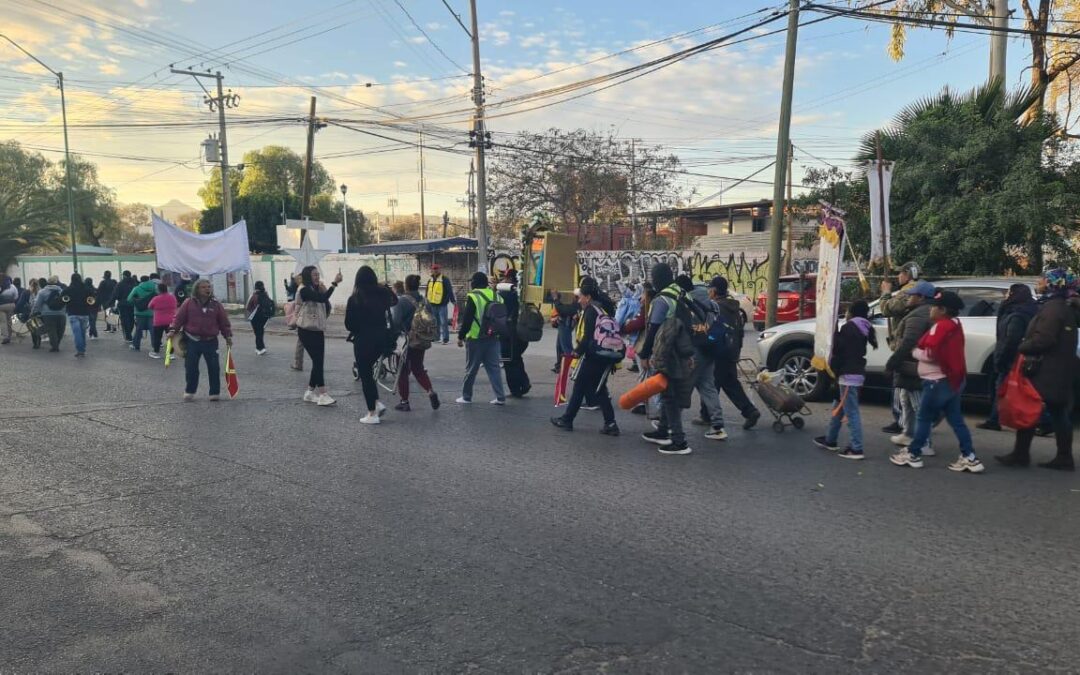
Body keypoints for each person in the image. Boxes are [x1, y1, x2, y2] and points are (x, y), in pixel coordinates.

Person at [890, 290, 984, 473]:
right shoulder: (955, 324)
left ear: (942, 310)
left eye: (934, 306)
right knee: (956, 420)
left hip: (936, 381)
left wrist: (915, 352)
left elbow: (931, 353)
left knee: (924, 417)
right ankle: (969, 456)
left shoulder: (941, 327)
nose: (930, 309)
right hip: (952, 379)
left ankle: (914, 453)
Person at [996, 269, 1078, 471]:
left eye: (1043, 279)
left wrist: (1024, 345)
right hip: (1057, 370)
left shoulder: (1053, 309)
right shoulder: (1059, 307)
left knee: (1030, 408)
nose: (1039, 282)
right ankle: (1059, 456)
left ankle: (1022, 454)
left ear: (1053, 284)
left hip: (1047, 370)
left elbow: (1045, 339)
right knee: (1057, 412)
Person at [550, 276, 620, 435]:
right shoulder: (602, 307)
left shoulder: (590, 311)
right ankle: (610, 423)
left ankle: (567, 420)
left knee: (580, 386)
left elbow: (588, 337)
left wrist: (577, 352)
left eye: (580, 296)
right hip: (604, 355)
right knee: (599, 389)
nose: (579, 300)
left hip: (593, 356)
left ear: (587, 297)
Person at [639, 263, 695, 455]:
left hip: (667, 353)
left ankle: (679, 441)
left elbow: (653, 329)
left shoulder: (662, 299)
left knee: (669, 397)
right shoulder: (680, 291)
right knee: (668, 392)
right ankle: (663, 431)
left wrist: (645, 354)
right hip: (684, 350)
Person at [815, 300, 878, 459]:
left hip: (848, 376)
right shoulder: (864, 327)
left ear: (853, 312)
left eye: (848, 310)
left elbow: (838, 348)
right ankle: (830, 439)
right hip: (854, 373)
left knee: (851, 412)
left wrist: (833, 330)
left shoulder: (850, 328)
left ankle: (856, 448)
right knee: (839, 407)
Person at [884, 281, 937, 455]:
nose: (909, 297)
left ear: (921, 298)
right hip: (914, 364)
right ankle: (908, 433)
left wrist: (893, 361)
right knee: (906, 400)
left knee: (918, 405)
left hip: (913, 366)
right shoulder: (923, 312)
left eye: (912, 295)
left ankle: (924, 442)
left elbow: (908, 342)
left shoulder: (918, 316)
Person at [978, 284, 1038, 431]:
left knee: (1003, 388)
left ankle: (995, 419)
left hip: (1010, 359)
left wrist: (1002, 359)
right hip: (1014, 357)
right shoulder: (1025, 309)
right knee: (1008, 389)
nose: (1005, 296)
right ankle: (995, 418)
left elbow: (1011, 340)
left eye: (1008, 293)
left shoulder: (1017, 314)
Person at [676, 274, 728, 441]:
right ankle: (718, 426)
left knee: (684, 386)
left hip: (695, 350)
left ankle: (669, 424)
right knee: (707, 386)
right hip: (710, 348)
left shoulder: (687, 302)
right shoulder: (711, 302)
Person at [705, 276, 761, 429]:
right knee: (728, 383)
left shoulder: (716, 307)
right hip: (732, 351)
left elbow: (712, 331)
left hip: (719, 352)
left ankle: (708, 415)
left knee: (711, 383)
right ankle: (750, 411)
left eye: (710, 289)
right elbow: (739, 331)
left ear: (714, 291)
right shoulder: (733, 307)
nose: (708, 292)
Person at [344, 266, 397, 423]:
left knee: (366, 374)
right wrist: (385, 287)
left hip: (363, 340)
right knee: (370, 372)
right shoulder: (382, 294)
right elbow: (395, 300)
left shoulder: (354, 299)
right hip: (382, 338)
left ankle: (372, 413)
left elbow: (349, 324)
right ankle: (376, 403)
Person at [167, 279, 232, 401]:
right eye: (203, 287)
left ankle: (214, 392)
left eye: (209, 287)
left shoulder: (216, 304)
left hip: (211, 341)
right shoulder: (188, 303)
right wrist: (172, 330)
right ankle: (190, 391)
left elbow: (224, 322)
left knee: (214, 367)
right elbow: (178, 318)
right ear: (197, 289)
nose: (207, 289)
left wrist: (227, 336)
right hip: (192, 341)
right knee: (191, 368)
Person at [879, 261, 921, 434]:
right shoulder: (916, 289)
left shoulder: (909, 291)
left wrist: (886, 293)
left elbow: (887, 309)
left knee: (901, 385)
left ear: (908, 274)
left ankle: (902, 420)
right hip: (911, 342)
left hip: (906, 342)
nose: (898, 276)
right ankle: (906, 420)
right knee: (904, 388)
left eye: (900, 273)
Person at [456, 271, 507, 405]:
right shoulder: (497, 296)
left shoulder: (473, 296)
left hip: (476, 338)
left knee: (471, 369)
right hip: (493, 336)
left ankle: (466, 397)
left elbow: (467, 320)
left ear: (474, 283)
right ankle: (500, 397)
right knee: (494, 368)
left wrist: (460, 337)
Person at [392, 274, 440, 412]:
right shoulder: (425, 301)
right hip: (421, 339)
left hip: (406, 341)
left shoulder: (401, 301)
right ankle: (430, 391)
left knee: (402, 371)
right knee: (418, 368)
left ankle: (404, 401)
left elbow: (396, 321)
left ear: (406, 286)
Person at [296, 265, 343, 406]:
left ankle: (310, 392)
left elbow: (325, 302)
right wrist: (334, 284)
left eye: (318, 274)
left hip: (317, 329)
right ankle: (323, 394)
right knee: (318, 361)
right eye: (314, 275)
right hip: (306, 330)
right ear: (308, 276)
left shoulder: (313, 288)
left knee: (318, 361)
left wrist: (325, 288)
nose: (317, 277)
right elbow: (322, 299)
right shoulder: (304, 289)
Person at [498, 269, 531, 398]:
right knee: (516, 358)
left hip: (509, 332)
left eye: (505, 278)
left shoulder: (506, 294)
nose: (503, 280)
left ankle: (516, 389)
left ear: (510, 279)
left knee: (509, 361)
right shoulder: (522, 293)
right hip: (523, 331)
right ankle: (524, 383)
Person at [31, 276, 66, 351]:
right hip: (61, 313)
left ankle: (54, 346)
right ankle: (56, 343)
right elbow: (65, 302)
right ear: (56, 282)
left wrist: (33, 312)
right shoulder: (61, 291)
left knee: (51, 330)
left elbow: (37, 304)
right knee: (60, 330)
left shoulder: (42, 292)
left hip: (48, 314)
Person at [127, 274, 158, 352]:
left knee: (138, 330)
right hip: (152, 313)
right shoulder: (155, 288)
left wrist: (136, 300)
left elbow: (129, 299)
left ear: (141, 280)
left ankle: (136, 345)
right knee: (153, 330)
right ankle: (155, 346)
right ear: (149, 280)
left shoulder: (137, 288)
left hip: (139, 313)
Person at [426, 263, 455, 345]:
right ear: (432, 270)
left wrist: (453, 301)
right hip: (433, 304)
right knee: (435, 322)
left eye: (436, 269)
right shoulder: (430, 280)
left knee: (443, 322)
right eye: (434, 269)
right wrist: (426, 301)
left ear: (439, 269)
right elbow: (427, 291)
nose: (435, 270)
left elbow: (449, 290)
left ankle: (445, 339)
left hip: (442, 304)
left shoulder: (445, 279)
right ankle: (437, 337)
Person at [64, 273, 92, 357]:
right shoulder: (87, 289)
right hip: (84, 313)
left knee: (77, 333)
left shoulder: (68, 290)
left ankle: (80, 350)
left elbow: (62, 299)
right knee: (82, 332)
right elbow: (92, 299)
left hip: (73, 313)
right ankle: (82, 349)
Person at [147, 283, 177, 359]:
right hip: (170, 320)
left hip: (158, 321)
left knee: (157, 337)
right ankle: (171, 354)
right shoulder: (172, 297)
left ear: (159, 290)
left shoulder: (156, 298)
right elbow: (175, 305)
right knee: (170, 337)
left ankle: (156, 352)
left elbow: (150, 306)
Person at [245, 280, 273, 355]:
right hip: (264, 317)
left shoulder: (253, 295)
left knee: (257, 333)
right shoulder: (266, 294)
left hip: (255, 317)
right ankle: (261, 347)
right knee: (261, 332)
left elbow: (247, 307)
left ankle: (260, 348)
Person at [286, 273, 305, 371]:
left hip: (303, 320)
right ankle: (299, 363)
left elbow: (298, 307)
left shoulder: (302, 289)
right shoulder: (309, 287)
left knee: (301, 343)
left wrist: (295, 320)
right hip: (307, 320)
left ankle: (298, 364)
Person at [114, 270, 137, 341]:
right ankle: (129, 333)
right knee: (131, 319)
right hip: (132, 304)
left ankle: (128, 335)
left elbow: (116, 295)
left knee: (125, 320)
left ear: (124, 275)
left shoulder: (120, 284)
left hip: (123, 304)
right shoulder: (134, 283)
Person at [21, 278, 42, 349]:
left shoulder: (28, 292)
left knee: (33, 328)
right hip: (40, 312)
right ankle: (39, 339)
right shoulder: (41, 291)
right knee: (38, 327)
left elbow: (26, 303)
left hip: (31, 312)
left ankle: (35, 343)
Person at [0, 275, 18, 345]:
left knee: (3, 322)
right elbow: (16, 296)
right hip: (11, 305)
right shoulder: (12, 286)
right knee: (10, 321)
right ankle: (10, 335)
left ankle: (5, 337)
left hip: (1, 306)